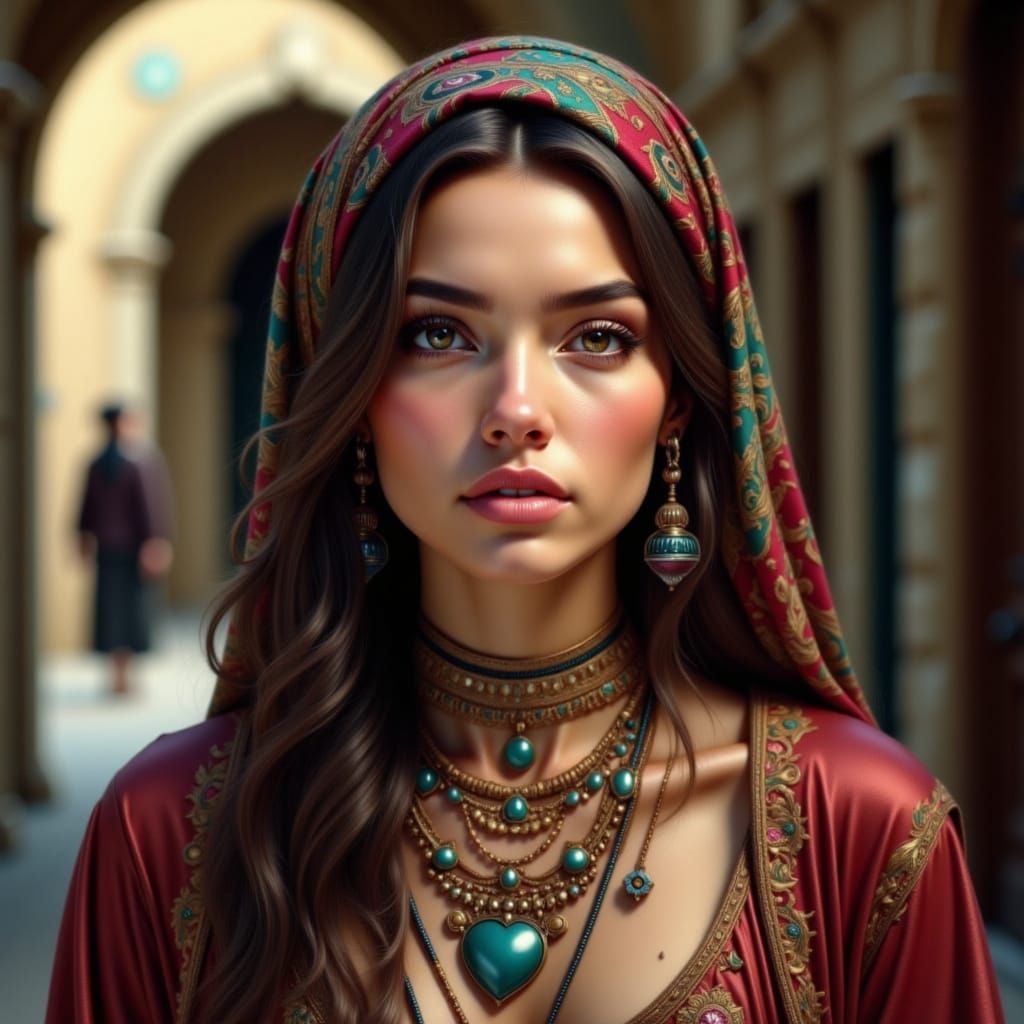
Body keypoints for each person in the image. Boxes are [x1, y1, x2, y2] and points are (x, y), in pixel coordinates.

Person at [47, 37, 1003, 1023]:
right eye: (436, 334)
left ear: (677, 396)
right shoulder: (168, 832)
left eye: (596, 337)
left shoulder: (856, 829)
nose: (515, 407)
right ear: (353, 396)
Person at [75, 401, 174, 695]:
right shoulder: (97, 463)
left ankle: (128, 673)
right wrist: (81, 535)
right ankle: (115, 673)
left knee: (134, 610)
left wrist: (156, 541)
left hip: (135, 548)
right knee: (109, 610)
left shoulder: (143, 460)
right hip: (108, 547)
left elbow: (155, 506)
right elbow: (86, 504)